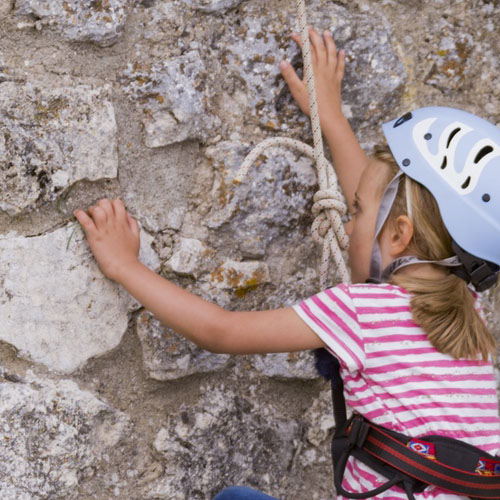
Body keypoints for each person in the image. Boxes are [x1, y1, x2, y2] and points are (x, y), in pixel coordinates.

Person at [73, 27, 500, 500]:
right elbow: (381, 210)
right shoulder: (469, 309)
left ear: (400, 236)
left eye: (354, 213)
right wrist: (329, 116)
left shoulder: (361, 312)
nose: (349, 218)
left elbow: (222, 332)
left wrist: (124, 266)